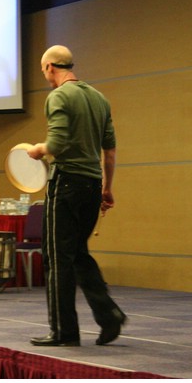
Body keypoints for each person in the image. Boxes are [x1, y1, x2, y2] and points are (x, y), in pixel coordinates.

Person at [27, 45, 126, 347]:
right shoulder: (99, 98)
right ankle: (108, 314)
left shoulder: (58, 96)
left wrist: (37, 150)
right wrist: (107, 188)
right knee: (78, 254)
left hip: (66, 184)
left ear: (49, 68)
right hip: (92, 185)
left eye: (44, 70)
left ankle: (63, 332)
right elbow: (109, 150)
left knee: (57, 259)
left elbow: (55, 142)